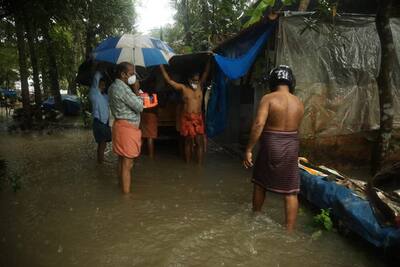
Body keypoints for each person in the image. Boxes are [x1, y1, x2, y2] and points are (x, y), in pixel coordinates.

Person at [243, 65, 304, 232]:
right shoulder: (298, 102)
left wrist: (249, 149)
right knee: (291, 191)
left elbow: (259, 124)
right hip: (292, 146)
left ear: (272, 81)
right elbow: (297, 129)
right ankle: (289, 230)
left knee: (260, 183)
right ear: (291, 81)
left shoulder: (268, 98)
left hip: (271, 144)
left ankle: (255, 217)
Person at [160, 58, 211, 164]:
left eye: (197, 80)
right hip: (187, 118)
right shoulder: (183, 88)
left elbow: (206, 72)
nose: (196, 82)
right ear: (189, 80)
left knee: (199, 143)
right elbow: (169, 81)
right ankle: (187, 164)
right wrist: (161, 66)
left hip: (198, 118)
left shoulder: (200, 86)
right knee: (187, 142)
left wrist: (209, 60)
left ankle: (199, 166)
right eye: (194, 80)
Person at [108, 62, 143, 194]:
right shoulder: (122, 88)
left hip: (120, 127)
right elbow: (139, 107)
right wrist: (136, 90)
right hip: (127, 130)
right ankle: (126, 198)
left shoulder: (113, 86)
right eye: (132, 73)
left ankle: (121, 187)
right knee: (128, 165)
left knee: (122, 161)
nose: (134, 76)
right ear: (123, 74)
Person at [89, 71, 111, 164]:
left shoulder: (105, 96)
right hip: (99, 122)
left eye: (104, 85)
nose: (103, 86)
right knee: (102, 143)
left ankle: (100, 160)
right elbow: (96, 78)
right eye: (101, 84)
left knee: (103, 143)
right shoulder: (94, 94)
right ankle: (100, 162)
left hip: (105, 123)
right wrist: (98, 69)